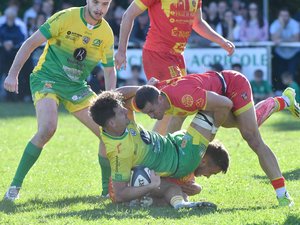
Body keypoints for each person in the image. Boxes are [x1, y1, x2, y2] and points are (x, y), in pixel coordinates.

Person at [121, 70, 300, 206]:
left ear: (159, 100)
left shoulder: (185, 98)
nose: (151, 116)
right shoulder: (155, 94)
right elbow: (128, 93)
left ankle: (282, 194)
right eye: (147, 113)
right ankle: (283, 101)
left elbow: (225, 104)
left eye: (152, 111)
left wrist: (212, 132)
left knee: (251, 136)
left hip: (232, 86)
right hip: (211, 99)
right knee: (243, 123)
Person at [3, 0, 116, 201]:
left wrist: (111, 99)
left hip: (76, 86)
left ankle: (106, 192)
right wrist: (12, 74)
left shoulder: (106, 32)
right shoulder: (66, 17)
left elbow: (109, 68)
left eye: (105, 4)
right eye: (96, 2)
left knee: (107, 130)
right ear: (88, 1)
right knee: (47, 128)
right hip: (47, 78)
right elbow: (30, 43)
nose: (100, 8)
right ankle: (14, 186)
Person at [89, 90, 230, 209]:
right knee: (212, 106)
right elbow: (119, 194)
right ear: (112, 123)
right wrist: (150, 186)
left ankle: (180, 204)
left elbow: (118, 92)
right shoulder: (120, 153)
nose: (126, 110)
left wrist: (144, 90)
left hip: (174, 146)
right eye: (121, 111)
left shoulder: (120, 123)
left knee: (174, 190)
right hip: (183, 158)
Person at [115, 0, 235, 135]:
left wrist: (221, 41)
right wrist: (121, 51)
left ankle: (163, 147)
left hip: (177, 56)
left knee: (177, 109)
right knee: (171, 106)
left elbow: (198, 22)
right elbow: (128, 15)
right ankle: (160, 148)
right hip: (158, 54)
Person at [270, 7, 300, 91]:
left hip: (293, 54)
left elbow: (296, 39)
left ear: (289, 16)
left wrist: (282, 40)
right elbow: (274, 39)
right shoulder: (275, 24)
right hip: (280, 54)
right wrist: (281, 26)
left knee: (292, 74)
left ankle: (293, 93)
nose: (284, 17)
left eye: (286, 15)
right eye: (282, 15)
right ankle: (281, 93)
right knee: (280, 74)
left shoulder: (294, 24)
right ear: (279, 16)